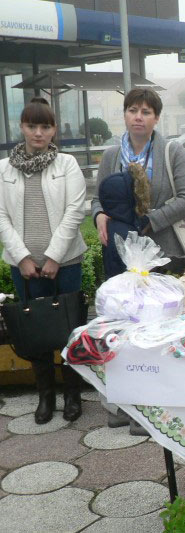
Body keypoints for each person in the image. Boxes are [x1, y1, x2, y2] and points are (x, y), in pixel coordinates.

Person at [0, 97, 86, 424]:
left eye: (45, 126)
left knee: (70, 330)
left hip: (65, 264)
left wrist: (54, 257)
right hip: (24, 268)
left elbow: (75, 211)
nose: (38, 133)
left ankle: (73, 394)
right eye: (32, 126)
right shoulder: (4, 169)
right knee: (35, 330)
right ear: (21, 127)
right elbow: (1, 217)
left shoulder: (66, 164)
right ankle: (45, 397)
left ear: (53, 129)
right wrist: (22, 258)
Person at [93, 88, 185, 270]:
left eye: (146, 112)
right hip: (121, 251)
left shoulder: (173, 152)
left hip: (165, 254)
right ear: (125, 114)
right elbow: (98, 198)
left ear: (156, 118)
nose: (138, 117)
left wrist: (151, 220)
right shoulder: (111, 156)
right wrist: (99, 215)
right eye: (133, 110)